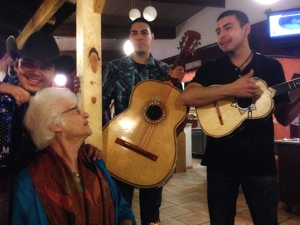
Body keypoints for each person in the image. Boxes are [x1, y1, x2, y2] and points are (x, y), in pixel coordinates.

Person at [181, 10, 300, 225]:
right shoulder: (212, 68)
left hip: (260, 164)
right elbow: (187, 96)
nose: (221, 35)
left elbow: (283, 118)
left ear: (246, 29)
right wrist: (231, 89)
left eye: (228, 28)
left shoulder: (271, 67)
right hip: (220, 163)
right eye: (218, 31)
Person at [9, 87, 136, 225]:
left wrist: (126, 221)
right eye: (75, 110)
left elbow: (122, 208)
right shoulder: (28, 183)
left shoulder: (96, 164)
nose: (86, 114)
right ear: (54, 124)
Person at [102, 17, 185, 225]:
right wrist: (102, 136)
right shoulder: (115, 67)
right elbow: (101, 104)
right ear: (129, 39)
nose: (139, 37)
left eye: (144, 32)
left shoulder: (166, 72)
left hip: (154, 148)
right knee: (120, 206)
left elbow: (178, 112)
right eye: (134, 33)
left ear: (152, 38)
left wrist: (177, 85)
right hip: (122, 144)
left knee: (152, 210)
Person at [0, 31, 102, 171]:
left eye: (45, 67)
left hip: (35, 184)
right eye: (29, 64)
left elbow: (60, 141)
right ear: (17, 65)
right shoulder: (4, 95)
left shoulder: (58, 105)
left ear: (54, 73)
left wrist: (81, 149)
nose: (36, 72)